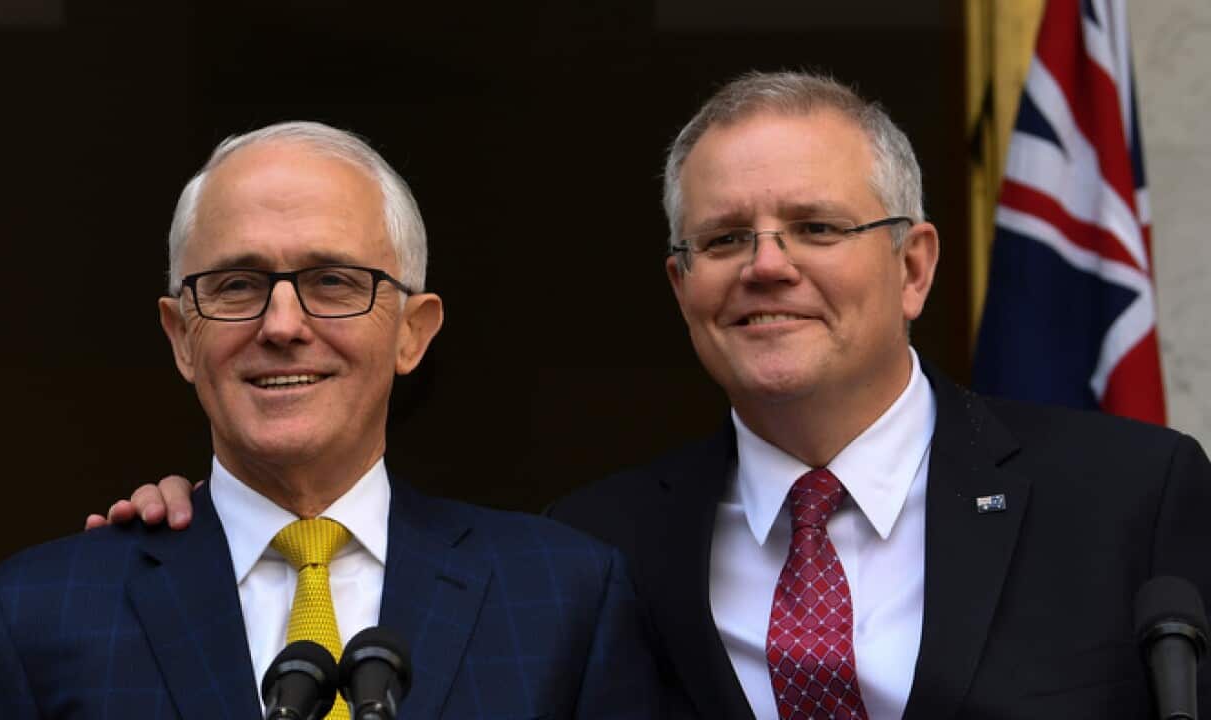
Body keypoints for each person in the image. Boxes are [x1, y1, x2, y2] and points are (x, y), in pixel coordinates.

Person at [93, 72, 1211, 719]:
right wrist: (198, 529)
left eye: (815, 227)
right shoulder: (596, 551)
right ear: (681, 287)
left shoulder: (1132, 497)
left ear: (913, 265)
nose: (766, 266)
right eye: (722, 239)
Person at [0, 121, 662, 719]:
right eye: (236, 284)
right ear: (181, 336)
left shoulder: (563, 594)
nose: (282, 325)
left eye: (333, 281)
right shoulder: (36, 615)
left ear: (413, 332)